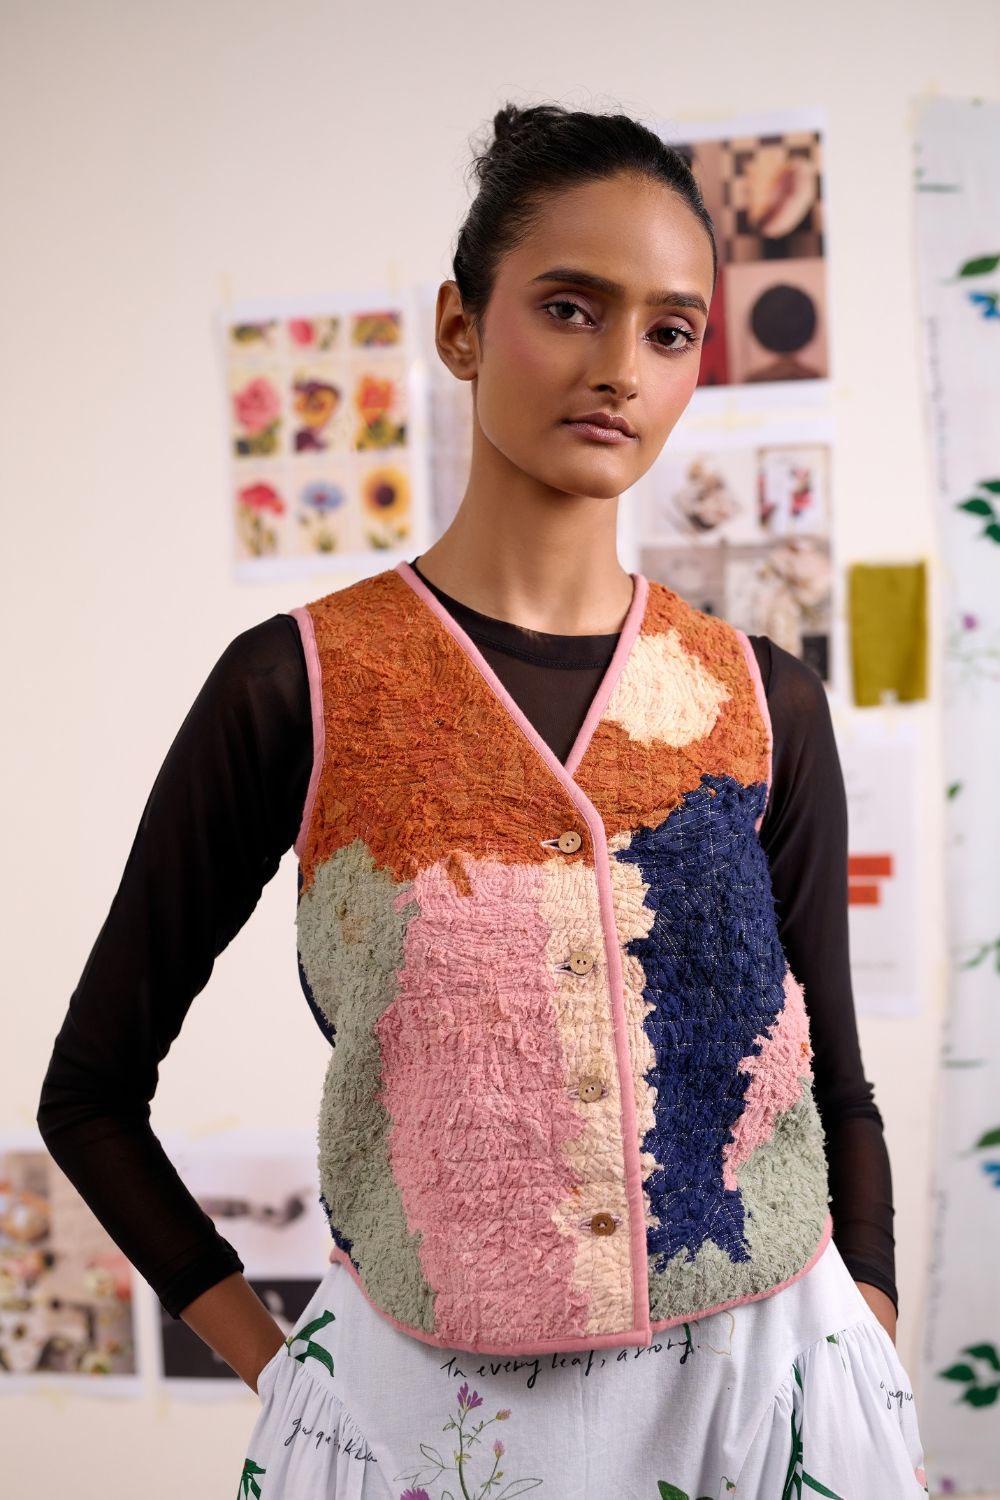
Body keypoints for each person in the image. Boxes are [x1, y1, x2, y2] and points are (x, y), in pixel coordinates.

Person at [37, 102, 928, 1496]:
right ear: (460, 328)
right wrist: (291, 1376)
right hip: (427, 1424)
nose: (619, 367)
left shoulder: (764, 701)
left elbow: (834, 1081)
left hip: (771, 1397)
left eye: (670, 331)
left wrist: (864, 1321)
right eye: (570, 307)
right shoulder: (298, 687)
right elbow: (89, 1094)